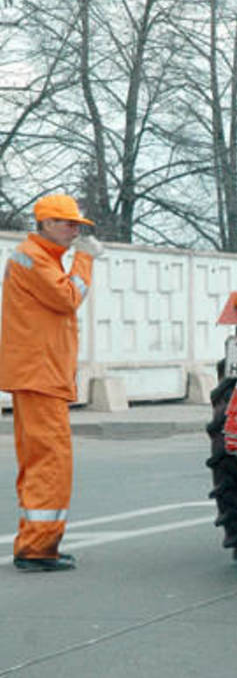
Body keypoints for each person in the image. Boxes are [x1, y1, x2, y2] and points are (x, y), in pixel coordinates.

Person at [0, 194, 104, 572]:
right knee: (50, 462)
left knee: (38, 460)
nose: (74, 229)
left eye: (76, 224)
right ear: (43, 223)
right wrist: (86, 260)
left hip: (36, 373)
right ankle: (38, 548)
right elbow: (68, 297)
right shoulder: (35, 260)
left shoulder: (36, 257)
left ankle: (34, 542)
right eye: (66, 223)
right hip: (39, 374)